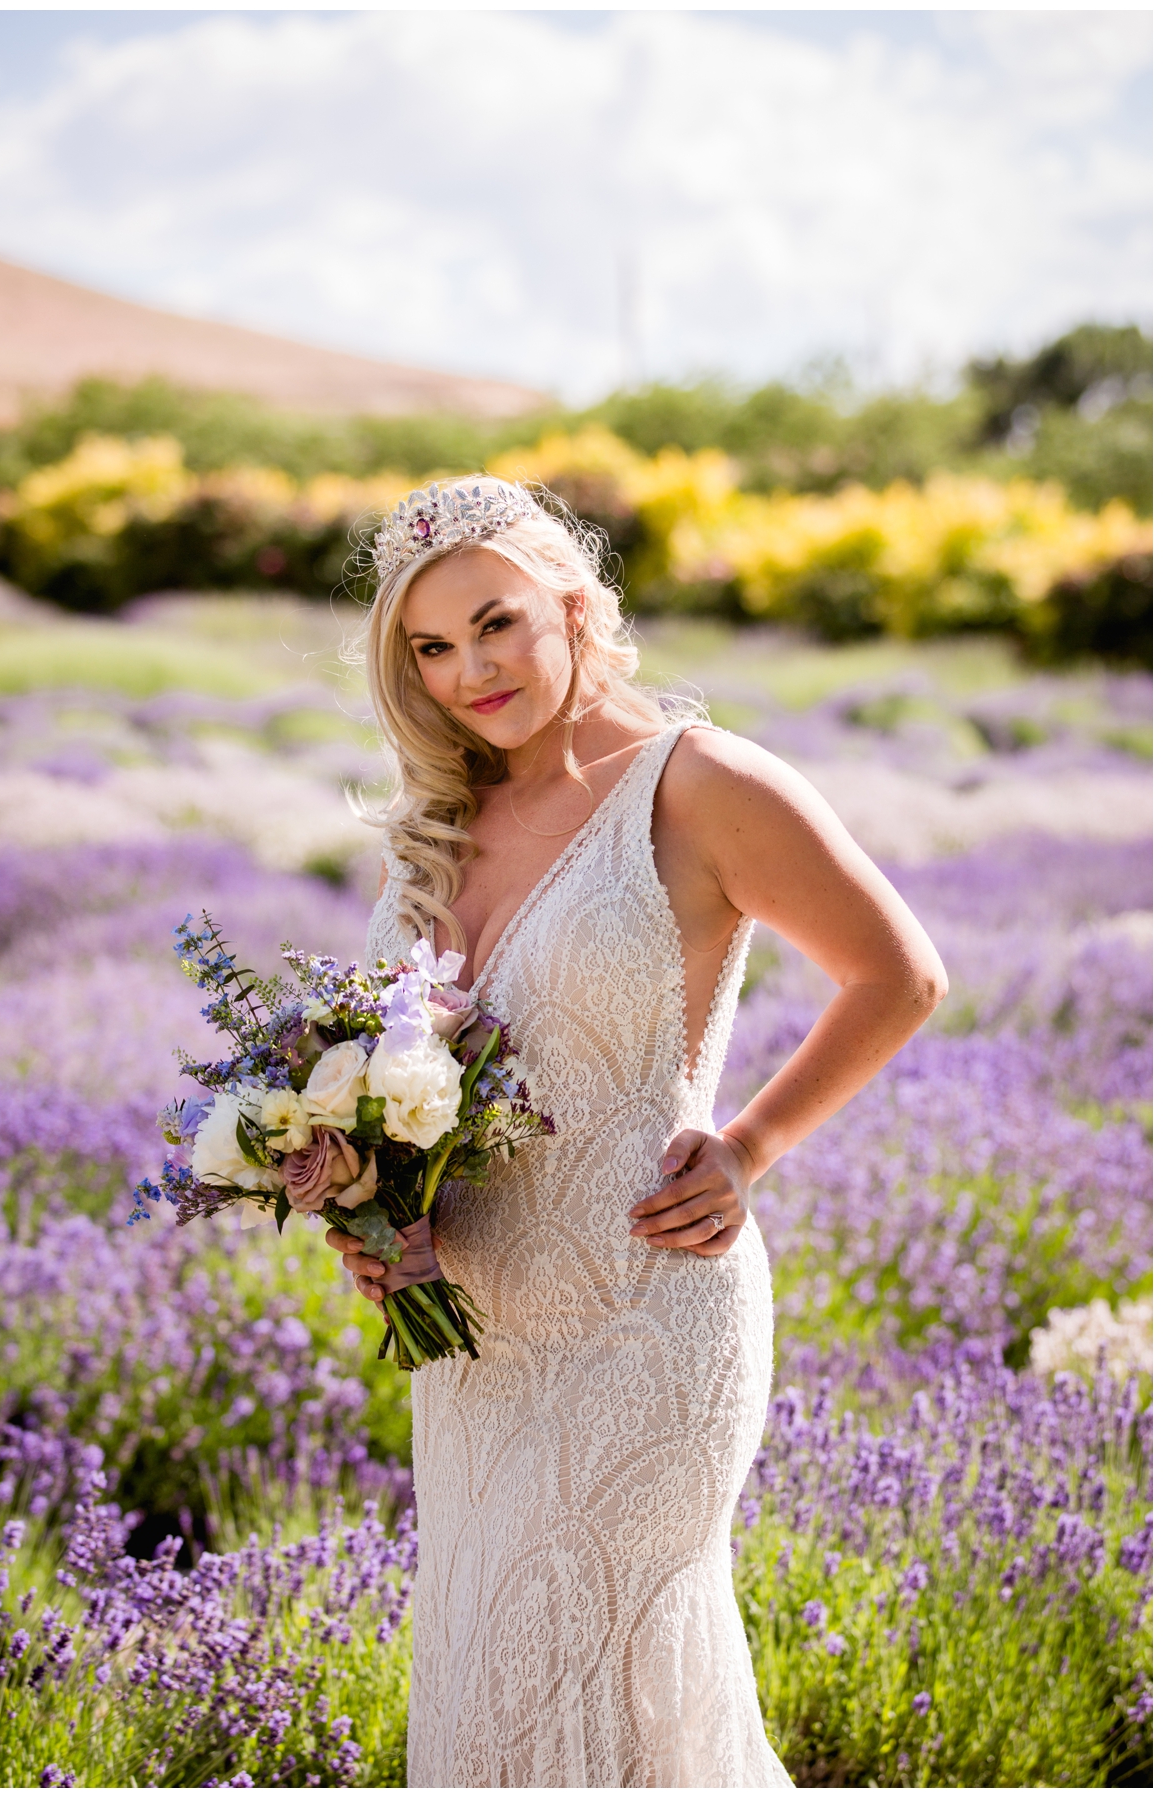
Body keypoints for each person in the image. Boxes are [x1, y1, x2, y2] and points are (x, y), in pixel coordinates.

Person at [327, 476, 946, 1785]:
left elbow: (899, 973)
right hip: (475, 1341)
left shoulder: (699, 782)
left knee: (611, 1703)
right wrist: (379, 1211)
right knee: (489, 1705)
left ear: (569, 599)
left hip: (643, 1317)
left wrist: (749, 1144)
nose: (469, 671)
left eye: (495, 624)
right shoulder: (440, 824)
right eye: (432, 649)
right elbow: (403, 1075)